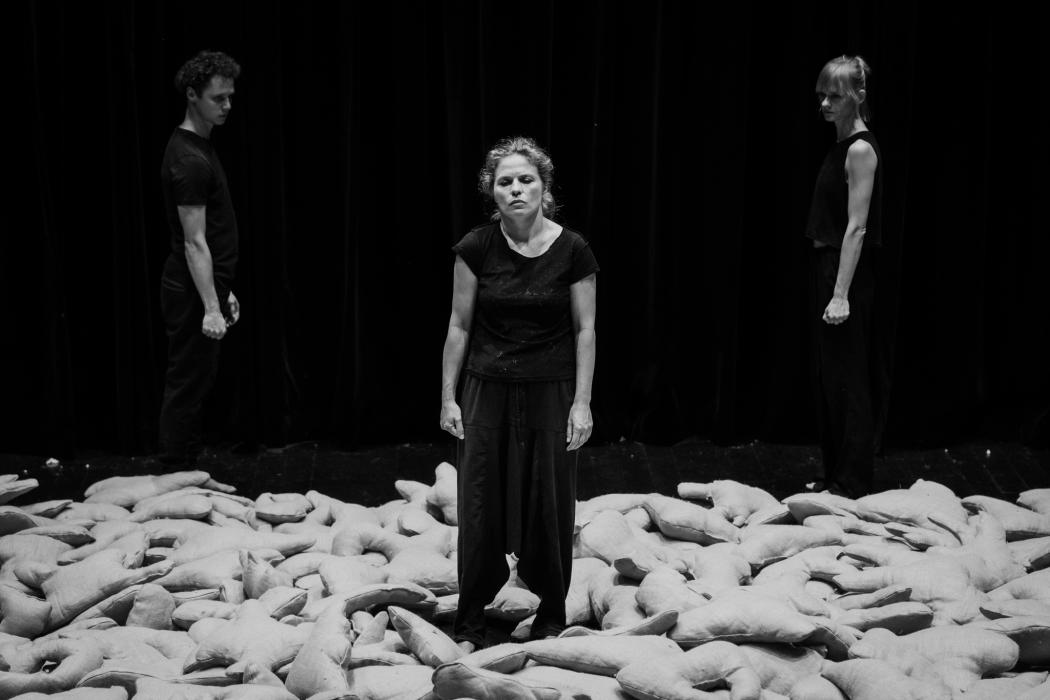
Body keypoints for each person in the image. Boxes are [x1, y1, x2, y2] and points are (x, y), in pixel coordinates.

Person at [439, 137, 599, 650]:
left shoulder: (573, 250)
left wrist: (582, 403)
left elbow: (585, 330)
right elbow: (459, 325)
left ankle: (551, 616)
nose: (515, 189)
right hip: (486, 388)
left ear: (544, 187)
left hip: (551, 390)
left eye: (526, 180)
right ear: (492, 191)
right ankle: (470, 620)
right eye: (504, 181)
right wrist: (448, 396)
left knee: (550, 504)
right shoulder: (475, 247)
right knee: (479, 504)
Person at [157, 50, 242, 468]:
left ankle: (186, 472)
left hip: (204, 287)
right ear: (192, 95)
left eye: (230, 97)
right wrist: (210, 306)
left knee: (197, 382)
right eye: (217, 98)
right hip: (191, 292)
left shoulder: (199, 147)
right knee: (188, 384)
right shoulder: (190, 159)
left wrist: (222, 293)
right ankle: (176, 472)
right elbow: (194, 242)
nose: (227, 106)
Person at [805, 55, 883, 498]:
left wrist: (841, 293)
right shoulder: (841, 145)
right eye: (822, 95)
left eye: (835, 96)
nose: (825, 103)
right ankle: (835, 475)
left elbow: (857, 227)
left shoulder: (859, 150)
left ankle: (852, 483)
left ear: (859, 96)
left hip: (845, 271)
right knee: (831, 378)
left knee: (848, 378)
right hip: (828, 266)